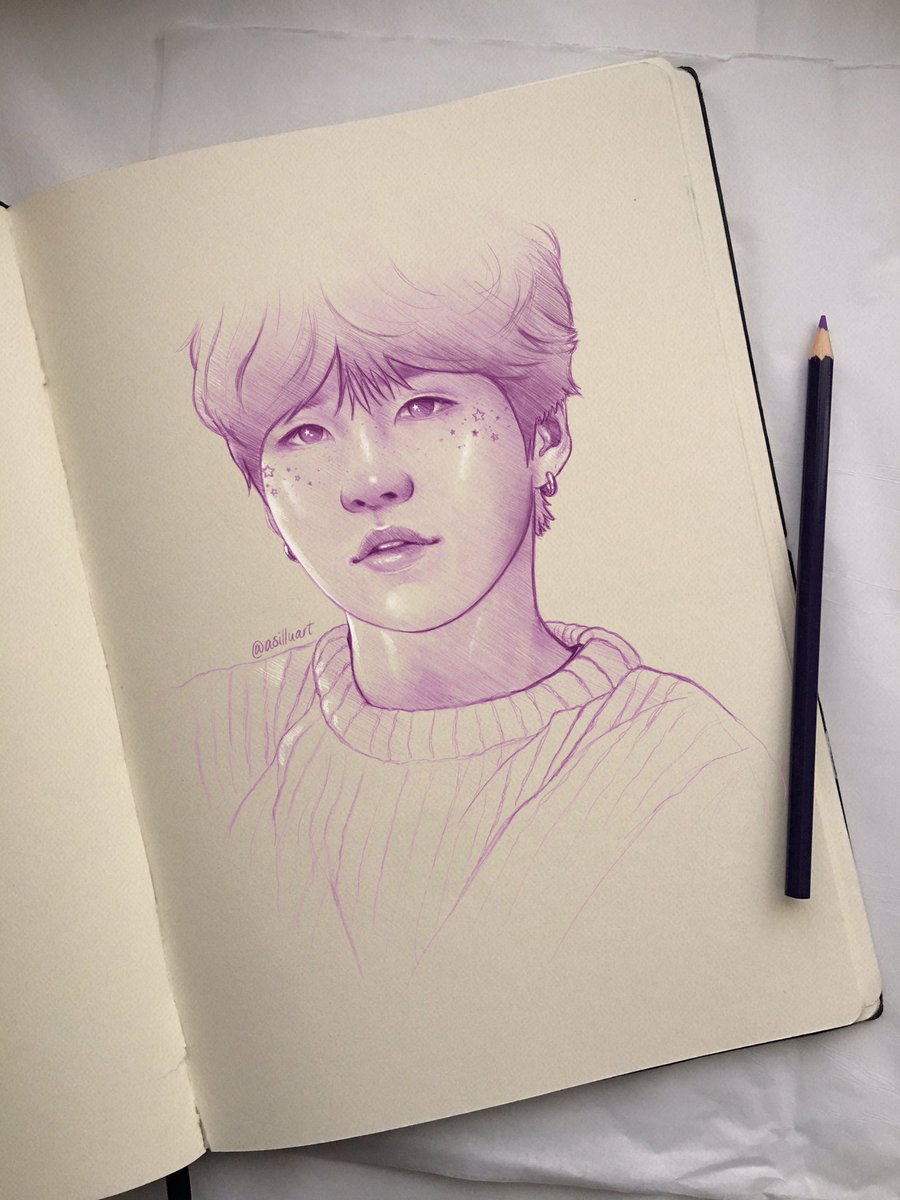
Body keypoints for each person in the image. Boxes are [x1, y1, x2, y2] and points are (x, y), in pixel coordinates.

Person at [178, 222, 773, 976]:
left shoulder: (687, 770)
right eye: (303, 433)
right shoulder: (212, 733)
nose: (371, 481)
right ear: (267, 503)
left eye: (424, 406)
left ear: (546, 437)